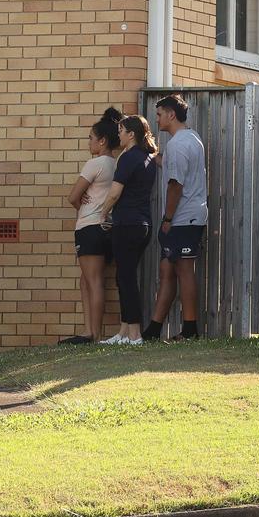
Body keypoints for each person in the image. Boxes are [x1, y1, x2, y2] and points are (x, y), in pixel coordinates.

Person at [144, 94, 208, 342]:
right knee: (167, 269)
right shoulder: (191, 138)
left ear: (171, 114)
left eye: (159, 114)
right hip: (185, 217)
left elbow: (175, 185)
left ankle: (190, 330)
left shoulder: (179, 144)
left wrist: (168, 219)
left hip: (184, 218)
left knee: (184, 270)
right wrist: (152, 156)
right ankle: (153, 330)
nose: (156, 119)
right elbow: (172, 166)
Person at [62, 108, 121, 345]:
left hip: (90, 227)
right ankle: (89, 331)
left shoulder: (95, 163)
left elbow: (73, 196)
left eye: (90, 138)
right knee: (86, 279)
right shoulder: (116, 164)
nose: (89, 142)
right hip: (106, 228)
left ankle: (93, 334)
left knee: (93, 280)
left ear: (102, 140)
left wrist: (84, 206)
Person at [98, 114, 158, 345]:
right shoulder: (146, 157)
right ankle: (124, 332)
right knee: (124, 276)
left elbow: (114, 192)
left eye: (121, 131)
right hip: (141, 224)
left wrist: (103, 213)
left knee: (126, 278)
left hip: (127, 224)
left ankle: (134, 335)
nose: (118, 135)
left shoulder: (128, 158)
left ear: (131, 134)